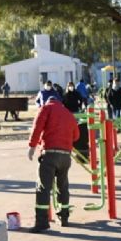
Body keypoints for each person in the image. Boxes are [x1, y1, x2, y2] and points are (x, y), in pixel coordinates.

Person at [27, 96, 80, 232]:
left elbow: (37, 127)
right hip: (66, 157)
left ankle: (42, 222)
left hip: (50, 154)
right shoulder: (68, 113)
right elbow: (76, 136)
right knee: (63, 187)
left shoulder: (46, 109)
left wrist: (32, 147)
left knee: (43, 188)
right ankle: (64, 217)